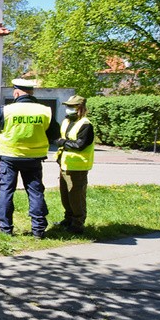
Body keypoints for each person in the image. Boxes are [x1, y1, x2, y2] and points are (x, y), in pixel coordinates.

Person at [0, 78, 60, 237]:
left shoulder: (6, 110)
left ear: (16, 93)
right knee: (35, 192)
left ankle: (6, 230)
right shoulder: (44, 111)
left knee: (6, 192)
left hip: (9, 156)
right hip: (34, 158)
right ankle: (38, 230)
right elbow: (55, 133)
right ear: (32, 93)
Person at [53, 95, 95, 233]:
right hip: (65, 164)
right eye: (67, 105)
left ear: (80, 108)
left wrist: (63, 142)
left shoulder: (85, 125)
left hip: (78, 167)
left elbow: (80, 145)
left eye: (71, 106)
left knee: (76, 197)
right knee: (65, 195)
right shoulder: (67, 121)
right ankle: (68, 219)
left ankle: (78, 224)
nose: (68, 108)